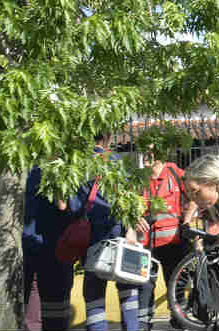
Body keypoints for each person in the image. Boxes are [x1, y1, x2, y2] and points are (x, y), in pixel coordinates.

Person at [82, 135, 142, 331]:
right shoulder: (117, 162)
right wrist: (131, 229)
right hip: (120, 235)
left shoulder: (79, 163)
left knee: (94, 294)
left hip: (92, 238)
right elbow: (130, 200)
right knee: (128, 288)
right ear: (108, 137)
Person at [136, 149, 195, 331]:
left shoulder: (175, 173)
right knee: (144, 286)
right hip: (146, 245)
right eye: (143, 150)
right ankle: (143, 324)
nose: (145, 155)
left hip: (173, 243)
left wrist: (187, 218)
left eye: (150, 150)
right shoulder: (140, 179)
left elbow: (195, 193)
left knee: (176, 285)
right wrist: (135, 218)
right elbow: (131, 207)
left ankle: (179, 321)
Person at [22, 164, 75, 330]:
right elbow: (64, 206)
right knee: (55, 314)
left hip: (29, 248)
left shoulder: (26, 168)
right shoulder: (62, 167)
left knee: (32, 316)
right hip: (54, 251)